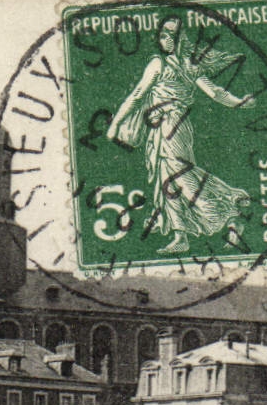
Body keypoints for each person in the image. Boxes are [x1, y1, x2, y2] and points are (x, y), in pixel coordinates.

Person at [106, 16, 254, 254]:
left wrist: (115, 124)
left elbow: (136, 95)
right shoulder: (190, 66)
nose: (163, 40)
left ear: (178, 39)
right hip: (171, 128)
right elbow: (215, 93)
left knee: (181, 178)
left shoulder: (159, 64)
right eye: (162, 35)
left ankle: (229, 215)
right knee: (170, 179)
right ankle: (181, 234)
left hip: (170, 128)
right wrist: (239, 102)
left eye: (168, 35)